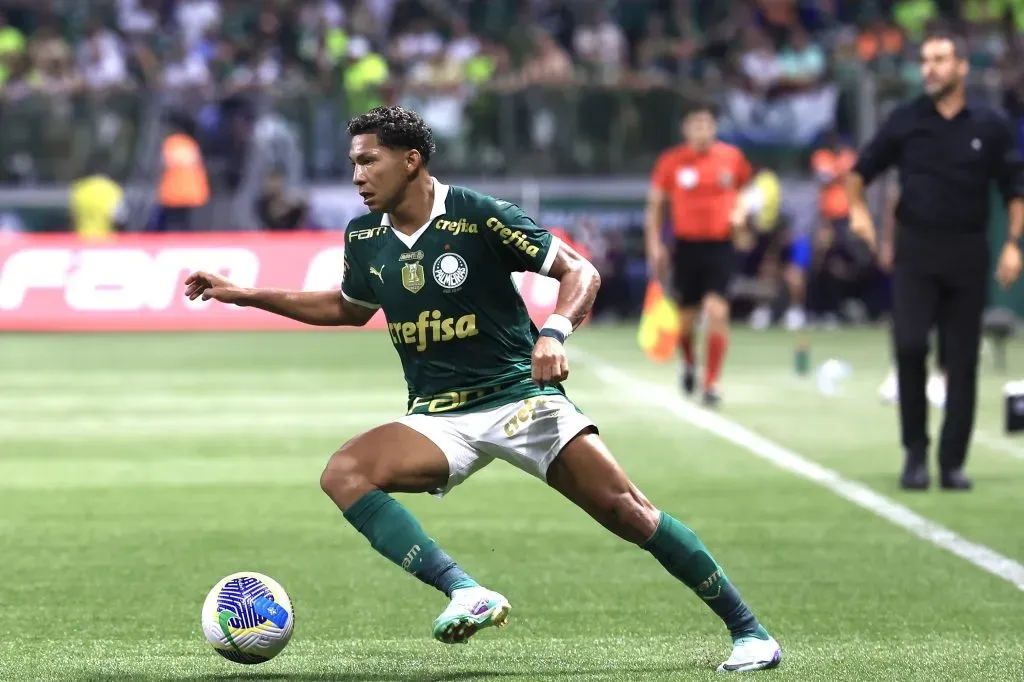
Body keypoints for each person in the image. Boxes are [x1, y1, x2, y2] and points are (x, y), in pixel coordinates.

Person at [184, 105, 781, 673]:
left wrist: (553, 332)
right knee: (344, 473)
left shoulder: (478, 215)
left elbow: (581, 271)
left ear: (411, 160)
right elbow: (346, 307)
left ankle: (750, 632)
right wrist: (243, 292)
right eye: (354, 164)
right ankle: (465, 590)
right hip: (439, 417)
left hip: (520, 399)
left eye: (369, 161)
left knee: (628, 512)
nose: (358, 176)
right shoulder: (366, 237)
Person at [846, 31, 1024, 491]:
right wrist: (859, 211)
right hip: (915, 253)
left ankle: (951, 463)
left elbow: (1014, 190)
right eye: (925, 60)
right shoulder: (905, 120)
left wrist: (1013, 244)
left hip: (968, 252)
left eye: (940, 59)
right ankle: (915, 455)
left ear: (961, 66)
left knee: (962, 360)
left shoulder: (991, 124)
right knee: (908, 347)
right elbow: (859, 173)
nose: (930, 67)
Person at [644, 104, 753, 406]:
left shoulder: (731, 158)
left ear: (714, 127)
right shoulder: (671, 162)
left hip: (720, 246)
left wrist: (740, 212)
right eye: (696, 124)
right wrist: (655, 243)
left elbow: (745, 190)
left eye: (707, 123)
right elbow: (656, 206)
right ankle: (690, 363)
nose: (702, 129)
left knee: (717, 312)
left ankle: (712, 382)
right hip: (686, 248)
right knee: (686, 320)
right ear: (686, 129)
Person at [877, 181, 947, 408]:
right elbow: (893, 201)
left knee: (943, 312)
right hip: (911, 248)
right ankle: (900, 373)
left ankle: (940, 376)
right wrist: (888, 243)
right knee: (905, 314)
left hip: (947, 247)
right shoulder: (911, 157)